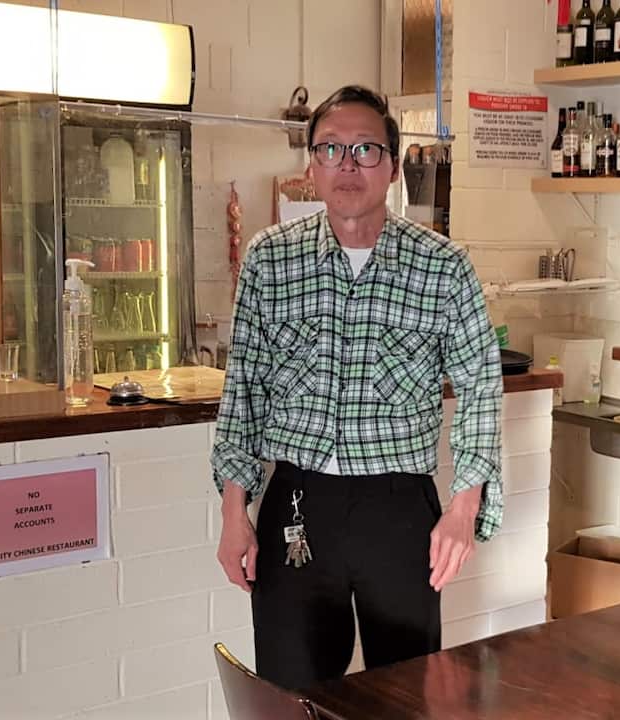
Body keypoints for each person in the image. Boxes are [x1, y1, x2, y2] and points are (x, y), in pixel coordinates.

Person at [210, 85, 504, 691]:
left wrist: (465, 505)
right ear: (311, 165)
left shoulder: (443, 267)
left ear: (393, 167)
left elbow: (481, 386)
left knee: (406, 697)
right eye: (331, 149)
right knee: (291, 697)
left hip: (398, 510)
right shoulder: (271, 259)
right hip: (296, 505)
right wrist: (233, 512)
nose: (348, 165)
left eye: (366, 150)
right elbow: (243, 389)